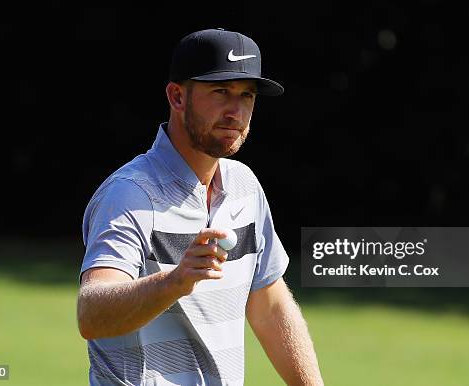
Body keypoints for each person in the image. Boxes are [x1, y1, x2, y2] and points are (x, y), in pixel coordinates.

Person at [77, 28, 324, 386]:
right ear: (177, 96)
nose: (235, 111)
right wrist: (175, 281)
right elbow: (92, 314)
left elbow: (269, 306)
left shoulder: (244, 187)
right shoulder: (130, 193)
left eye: (247, 95)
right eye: (221, 91)